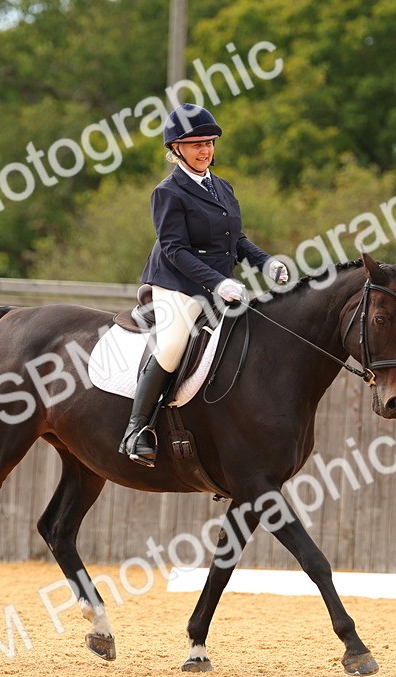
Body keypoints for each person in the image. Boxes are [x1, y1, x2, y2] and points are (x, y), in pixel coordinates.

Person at [118, 104, 289, 466]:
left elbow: (236, 240)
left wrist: (266, 261)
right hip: (175, 284)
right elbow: (175, 250)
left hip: (219, 286)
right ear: (176, 149)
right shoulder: (168, 192)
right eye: (196, 145)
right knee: (173, 344)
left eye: (209, 143)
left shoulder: (223, 187)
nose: (205, 150)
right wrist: (219, 282)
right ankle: (136, 432)